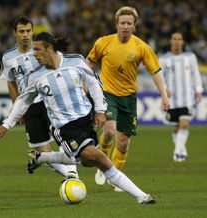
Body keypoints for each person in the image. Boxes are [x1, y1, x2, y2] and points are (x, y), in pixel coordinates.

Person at [0, 32, 156, 204]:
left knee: (88, 161)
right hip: (64, 128)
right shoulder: (35, 77)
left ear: (49, 49)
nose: (34, 54)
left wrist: (100, 110)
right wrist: (6, 125)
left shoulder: (76, 61)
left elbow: (93, 82)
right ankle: (142, 196)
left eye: (38, 49)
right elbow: (23, 101)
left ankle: (42, 157)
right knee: (100, 158)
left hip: (86, 120)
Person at [86, 6, 170, 190]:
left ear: (134, 27)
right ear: (116, 24)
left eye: (129, 23)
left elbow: (155, 71)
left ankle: (116, 177)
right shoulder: (103, 42)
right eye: (122, 23)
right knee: (109, 131)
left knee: (123, 143)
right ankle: (102, 165)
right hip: (107, 93)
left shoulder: (141, 47)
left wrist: (164, 94)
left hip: (129, 97)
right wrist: (83, 85)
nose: (125, 26)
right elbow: (89, 63)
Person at [0, 16, 77, 179]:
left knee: (66, 139)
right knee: (43, 153)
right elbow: (11, 84)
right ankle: (70, 178)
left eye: (28, 31)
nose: (26, 35)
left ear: (33, 31)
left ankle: (72, 176)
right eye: (21, 31)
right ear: (15, 33)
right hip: (29, 107)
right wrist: (17, 110)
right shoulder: (8, 58)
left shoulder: (41, 49)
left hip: (50, 101)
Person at [159, 32, 203, 162]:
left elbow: (196, 74)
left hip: (187, 98)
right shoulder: (163, 59)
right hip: (171, 100)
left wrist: (198, 90)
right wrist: (164, 89)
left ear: (183, 42)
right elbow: (160, 77)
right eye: (174, 39)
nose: (177, 41)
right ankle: (182, 150)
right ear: (171, 41)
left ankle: (178, 152)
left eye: (179, 39)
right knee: (175, 128)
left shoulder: (190, 57)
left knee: (184, 125)